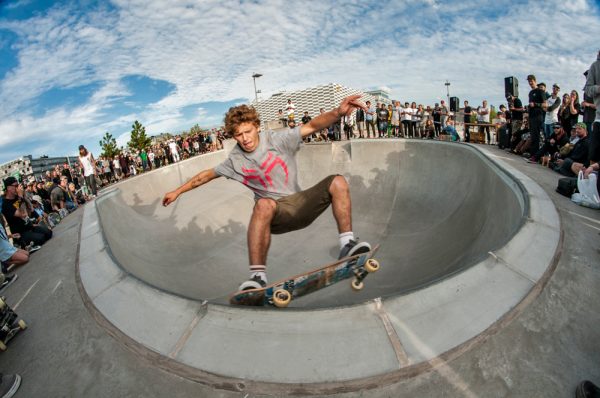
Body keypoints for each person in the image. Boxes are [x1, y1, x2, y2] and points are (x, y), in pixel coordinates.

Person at [162, 95, 372, 290]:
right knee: (263, 204)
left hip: (302, 205)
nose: (244, 139)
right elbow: (205, 176)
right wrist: (177, 191)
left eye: (248, 131)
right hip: (274, 215)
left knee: (338, 181)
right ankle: (257, 277)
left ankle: (346, 245)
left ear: (256, 127)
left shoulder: (277, 140)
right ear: (233, 136)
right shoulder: (235, 161)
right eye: (238, 135)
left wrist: (337, 112)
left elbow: (311, 126)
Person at [1, 177, 52, 248]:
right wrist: (20, 198)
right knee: (41, 239)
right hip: (21, 233)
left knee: (49, 233)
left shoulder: (18, 197)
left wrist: (24, 197)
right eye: (15, 186)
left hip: (29, 227)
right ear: (9, 188)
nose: (18, 188)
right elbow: (21, 214)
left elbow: (30, 209)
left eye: (18, 186)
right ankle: (22, 245)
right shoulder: (5, 204)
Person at [584, 51, 600, 169]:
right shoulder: (595, 66)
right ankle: (591, 180)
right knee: (594, 153)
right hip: (599, 118)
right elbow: (588, 89)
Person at [526, 74, 547, 159]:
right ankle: (532, 155)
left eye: (531, 81)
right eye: (529, 81)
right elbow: (530, 105)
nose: (530, 83)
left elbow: (545, 105)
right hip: (531, 116)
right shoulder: (530, 93)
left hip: (538, 116)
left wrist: (535, 104)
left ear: (535, 81)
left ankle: (535, 156)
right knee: (532, 136)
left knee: (536, 136)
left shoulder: (540, 91)